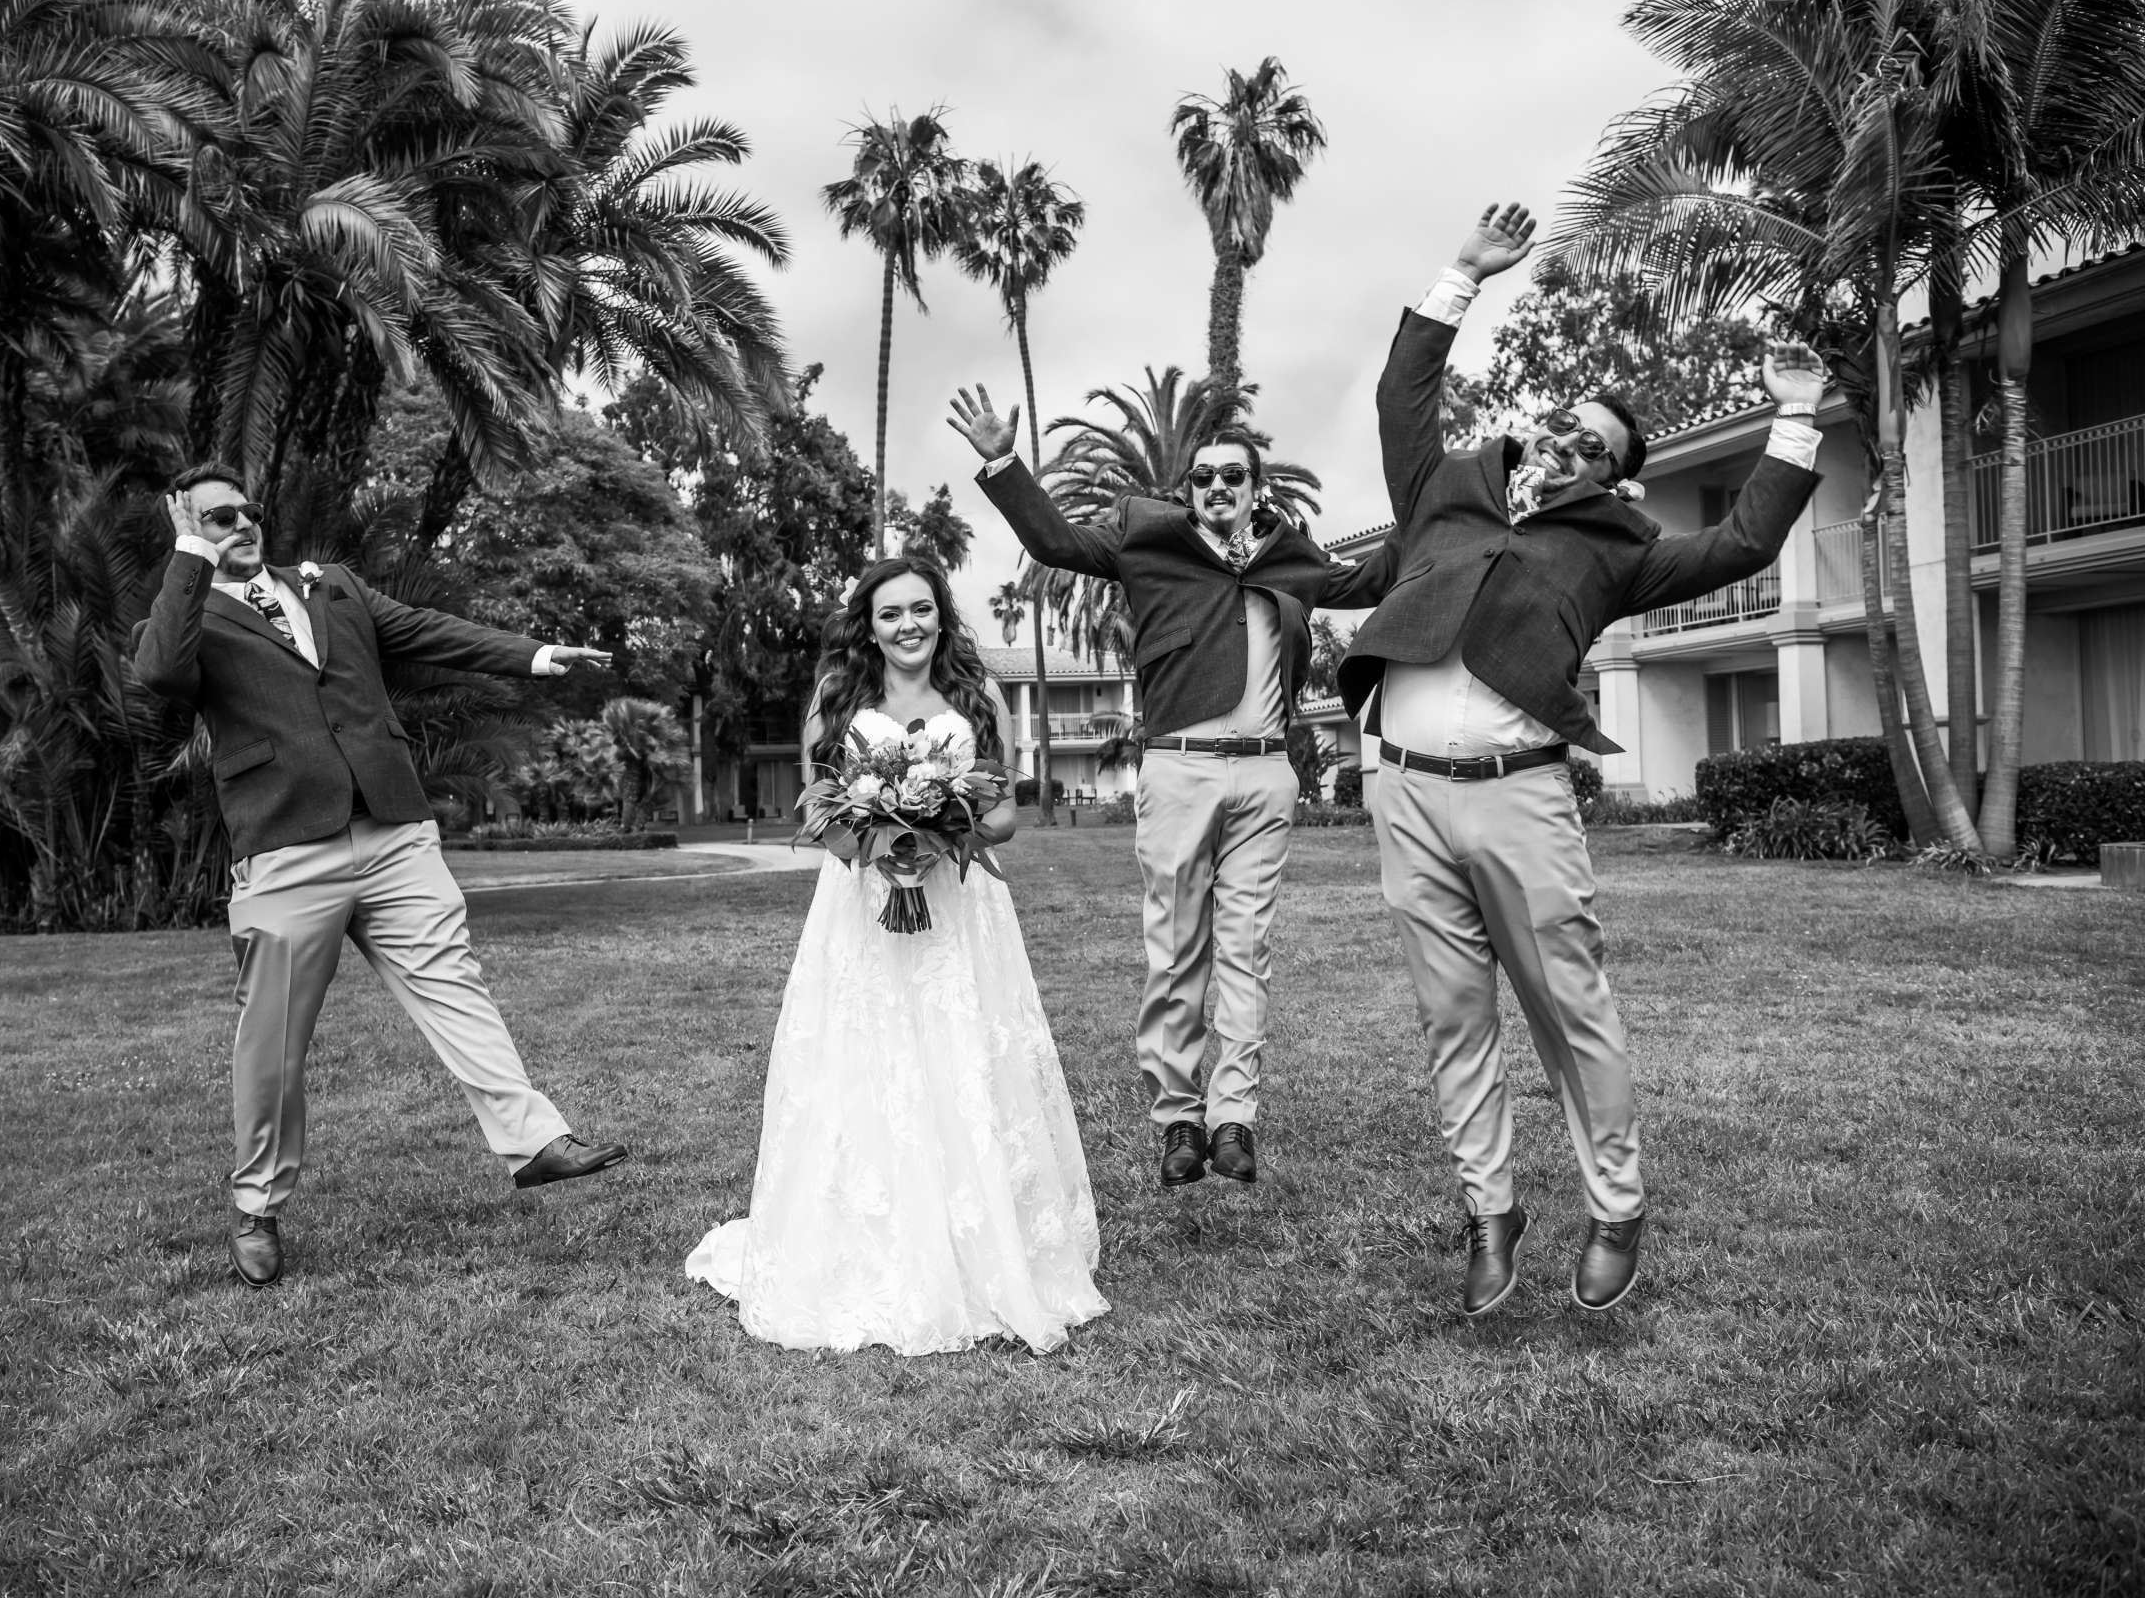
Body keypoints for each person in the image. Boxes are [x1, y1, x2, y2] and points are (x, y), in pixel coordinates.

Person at [1344, 201, 1827, 1316]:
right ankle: (1490, 1211)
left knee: (1572, 1011)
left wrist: (1796, 411)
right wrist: (1460, 275)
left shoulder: (1619, 549)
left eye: (1594, 448)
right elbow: (1399, 398)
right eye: (1565, 423)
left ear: (1613, 480)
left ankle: (1617, 1207)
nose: (1566, 441)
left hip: (1519, 801)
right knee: (1452, 1014)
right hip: (1405, 794)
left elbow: (1746, 539)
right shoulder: (1443, 491)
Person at [132, 463, 632, 1290]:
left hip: (395, 827)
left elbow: (431, 631)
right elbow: (157, 674)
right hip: (289, 847)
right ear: (184, 520)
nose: (243, 524)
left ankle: (533, 1140)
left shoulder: (332, 587)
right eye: (220, 515)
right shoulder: (189, 610)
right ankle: (256, 1203)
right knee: (273, 1042)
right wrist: (192, 551)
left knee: (453, 981)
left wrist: (534, 654)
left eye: (249, 510)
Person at [946, 395, 1387, 1189]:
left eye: (1234, 476)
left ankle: (1235, 1120)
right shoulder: (1150, 545)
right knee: (1177, 949)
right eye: (1205, 476)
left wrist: (1451, 523)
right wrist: (1003, 464)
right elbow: (1055, 540)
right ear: (1190, 490)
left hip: (1264, 772)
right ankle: (1178, 1118)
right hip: (1179, 766)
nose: (1219, 486)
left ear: (1257, 488)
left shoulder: (1292, 557)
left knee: (1247, 952)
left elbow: (1371, 579)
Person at [686, 557, 1107, 1355]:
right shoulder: (838, 699)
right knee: (864, 1058)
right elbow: (819, 811)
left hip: (961, 905)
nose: (907, 625)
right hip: (860, 904)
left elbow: (1007, 813)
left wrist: (950, 826)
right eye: (890, 614)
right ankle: (865, 1248)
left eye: (921, 609)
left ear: (941, 615)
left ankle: (984, 1248)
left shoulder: (978, 699)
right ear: (868, 626)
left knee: (966, 1055)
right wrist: (876, 851)